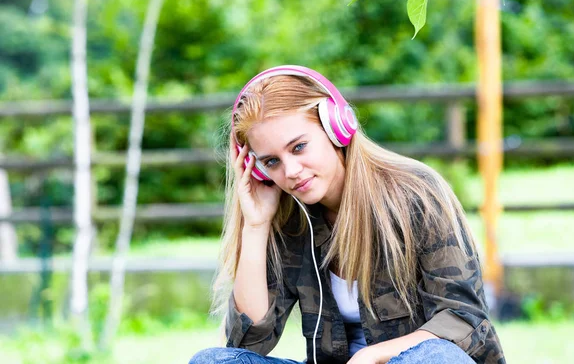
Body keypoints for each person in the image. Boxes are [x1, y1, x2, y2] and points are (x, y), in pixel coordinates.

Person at [189, 66, 505, 364]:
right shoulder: (287, 217)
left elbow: (464, 321)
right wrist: (256, 226)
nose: (291, 171)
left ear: (336, 127)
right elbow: (248, 343)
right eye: (271, 162)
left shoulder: (416, 193)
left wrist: (372, 356)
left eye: (298, 147)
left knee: (436, 358)